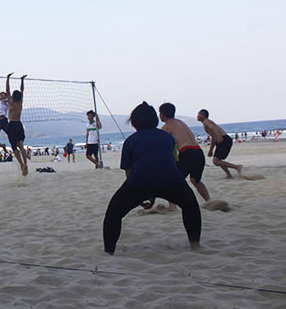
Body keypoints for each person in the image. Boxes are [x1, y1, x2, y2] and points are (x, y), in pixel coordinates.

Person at [102, 102, 201, 255]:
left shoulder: (130, 141)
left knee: (113, 213)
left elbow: (130, 172)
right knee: (191, 206)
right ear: (155, 120)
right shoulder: (167, 138)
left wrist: (139, 193)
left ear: (134, 122)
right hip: (172, 180)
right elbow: (161, 164)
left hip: (139, 182)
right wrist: (152, 194)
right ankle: (194, 244)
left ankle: (109, 252)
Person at [159, 103, 210, 202]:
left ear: (163, 114)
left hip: (187, 153)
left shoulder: (166, 127)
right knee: (196, 180)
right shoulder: (181, 122)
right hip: (198, 152)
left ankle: (172, 206)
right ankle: (209, 201)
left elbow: (164, 146)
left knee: (172, 180)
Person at [197, 109, 242, 179]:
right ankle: (229, 175)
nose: (197, 116)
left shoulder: (206, 122)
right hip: (223, 139)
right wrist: (211, 150)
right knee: (218, 160)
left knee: (216, 161)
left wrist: (219, 136)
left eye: (198, 114)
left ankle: (237, 167)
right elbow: (213, 137)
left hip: (224, 139)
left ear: (202, 115)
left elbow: (214, 129)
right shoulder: (206, 123)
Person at [6, 72, 29, 176]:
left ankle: (21, 165)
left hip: (12, 125)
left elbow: (7, 91)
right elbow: (22, 90)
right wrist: (22, 80)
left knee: (14, 148)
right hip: (19, 124)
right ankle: (25, 163)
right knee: (21, 146)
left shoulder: (11, 102)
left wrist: (7, 78)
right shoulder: (20, 103)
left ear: (13, 97)